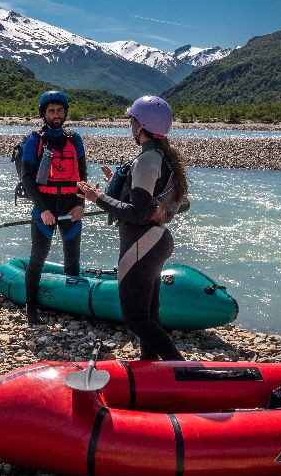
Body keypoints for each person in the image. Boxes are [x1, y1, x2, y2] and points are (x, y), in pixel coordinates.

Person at [76, 95, 187, 361]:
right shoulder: (167, 158)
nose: (131, 126)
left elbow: (137, 213)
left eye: (132, 121)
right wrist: (119, 184)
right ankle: (152, 368)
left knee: (136, 319)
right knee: (149, 315)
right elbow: (177, 204)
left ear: (140, 126)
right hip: (155, 242)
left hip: (142, 244)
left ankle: (182, 370)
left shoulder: (148, 160)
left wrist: (98, 198)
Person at [20, 90, 87, 325]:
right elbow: (27, 178)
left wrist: (80, 203)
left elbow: (83, 175)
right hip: (45, 207)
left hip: (71, 206)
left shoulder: (74, 139)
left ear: (65, 113)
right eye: (51, 111)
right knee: (37, 258)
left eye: (60, 110)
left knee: (72, 258)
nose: (56, 115)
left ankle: (72, 304)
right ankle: (31, 309)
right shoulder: (34, 140)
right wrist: (43, 210)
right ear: (43, 114)